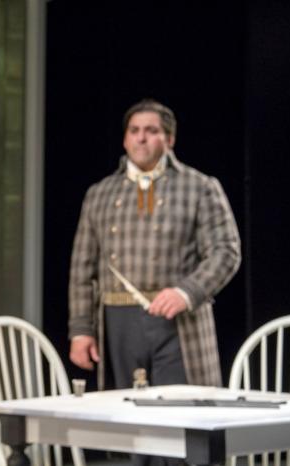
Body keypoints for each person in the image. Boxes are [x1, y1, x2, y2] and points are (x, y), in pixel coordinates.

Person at [68, 98, 241, 403]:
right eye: (134, 130)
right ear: (125, 138)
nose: (141, 137)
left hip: (177, 323)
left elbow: (226, 251)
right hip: (118, 321)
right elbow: (82, 269)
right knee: (128, 418)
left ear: (170, 139)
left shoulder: (199, 186)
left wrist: (186, 292)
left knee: (181, 417)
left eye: (151, 130)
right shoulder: (99, 193)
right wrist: (81, 329)